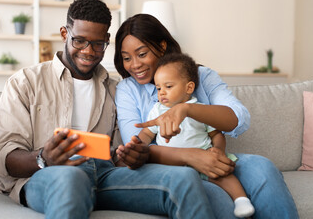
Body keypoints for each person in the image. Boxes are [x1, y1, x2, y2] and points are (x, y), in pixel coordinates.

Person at [0, 0, 216, 219]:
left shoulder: (116, 90)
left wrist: (134, 157)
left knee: (184, 178)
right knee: (72, 179)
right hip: (51, 174)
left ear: (107, 41)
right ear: (64, 34)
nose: (88, 51)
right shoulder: (25, 82)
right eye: (79, 41)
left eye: (98, 44)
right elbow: (7, 160)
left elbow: (120, 158)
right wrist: (44, 157)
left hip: (106, 175)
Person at [114, 13, 299, 219]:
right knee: (210, 194)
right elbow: (139, 148)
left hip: (211, 155)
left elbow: (238, 118)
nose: (134, 65)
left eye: (142, 54)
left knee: (262, 167)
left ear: (162, 46)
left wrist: (189, 111)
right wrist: (192, 156)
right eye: (126, 58)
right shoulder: (127, 89)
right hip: (169, 168)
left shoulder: (201, 76)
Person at [137, 52, 255, 218]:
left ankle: (241, 200)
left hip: (205, 158)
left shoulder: (199, 109)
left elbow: (217, 134)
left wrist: (218, 150)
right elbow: (147, 133)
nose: (162, 93)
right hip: (171, 165)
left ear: (189, 88)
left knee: (223, 174)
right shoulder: (157, 110)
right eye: (158, 88)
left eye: (168, 87)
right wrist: (137, 143)